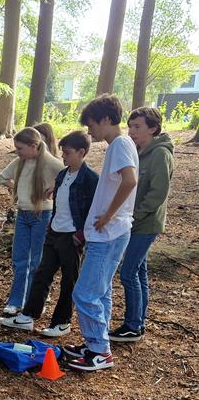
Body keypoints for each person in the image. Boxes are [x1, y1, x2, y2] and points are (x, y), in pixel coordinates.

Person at [0, 130, 99, 337]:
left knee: (68, 279)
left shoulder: (90, 178)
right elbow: (58, 203)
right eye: (62, 153)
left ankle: (62, 321)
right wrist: (51, 224)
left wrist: (81, 234)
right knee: (42, 273)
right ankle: (28, 315)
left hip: (72, 235)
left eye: (67, 153)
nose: (63, 157)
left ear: (82, 152)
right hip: (54, 231)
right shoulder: (63, 174)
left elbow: (92, 208)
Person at [64, 94, 138, 371]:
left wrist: (108, 215)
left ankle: (100, 351)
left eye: (91, 124)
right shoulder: (122, 144)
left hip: (109, 234)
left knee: (84, 293)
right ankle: (96, 342)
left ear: (106, 119)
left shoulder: (119, 144)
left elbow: (130, 181)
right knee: (101, 290)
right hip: (110, 233)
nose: (89, 131)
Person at [110, 107, 174, 342]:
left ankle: (133, 325)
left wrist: (134, 214)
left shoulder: (160, 154)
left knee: (128, 271)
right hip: (133, 221)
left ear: (153, 128)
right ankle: (138, 322)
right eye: (130, 126)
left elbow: (158, 193)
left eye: (137, 126)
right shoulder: (137, 151)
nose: (131, 131)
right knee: (139, 271)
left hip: (145, 224)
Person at [0, 127, 64, 315]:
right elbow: (2, 177)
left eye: (20, 148)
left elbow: (66, 175)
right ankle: (16, 300)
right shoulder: (19, 162)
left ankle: (34, 300)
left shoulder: (50, 162)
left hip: (41, 216)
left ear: (33, 146)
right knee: (19, 260)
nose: (17, 151)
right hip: (23, 215)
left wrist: (52, 188)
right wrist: (17, 188)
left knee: (37, 260)